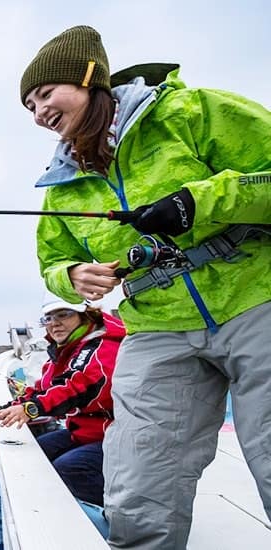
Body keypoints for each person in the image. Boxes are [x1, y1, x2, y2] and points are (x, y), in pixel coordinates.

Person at [20, 25, 271, 549]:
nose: (39, 112)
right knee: (137, 484)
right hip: (156, 326)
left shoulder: (191, 111)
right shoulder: (61, 187)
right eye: (30, 107)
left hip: (257, 299)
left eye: (45, 94)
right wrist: (70, 276)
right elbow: (54, 256)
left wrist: (199, 201)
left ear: (89, 77)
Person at [0, 301, 124, 506]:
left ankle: (119, 513)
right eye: (48, 319)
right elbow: (44, 388)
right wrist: (6, 411)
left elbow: (78, 386)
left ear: (86, 316)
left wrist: (31, 409)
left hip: (120, 434)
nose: (54, 324)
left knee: (71, 467)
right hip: (89, 431)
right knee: (36, 453)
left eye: (64, 315)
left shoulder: (103, 347)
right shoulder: (65, 350)